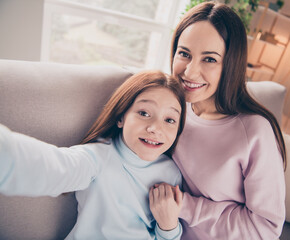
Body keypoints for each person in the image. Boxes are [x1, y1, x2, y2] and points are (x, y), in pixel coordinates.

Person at [0, 70, 186, 240]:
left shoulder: (172, 172)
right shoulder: (97, 158)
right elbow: (52, 167)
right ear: (121, 117)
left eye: (170, 120)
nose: (155, 128)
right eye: (144, 113)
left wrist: (168, 227)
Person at [157, 2, 287, 239]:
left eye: (209, 59)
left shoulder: (254, 131)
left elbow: (265, 229)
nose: (190, 72)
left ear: (230, 65)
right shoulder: (167, 109)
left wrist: (183, 205)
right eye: (184, 54)